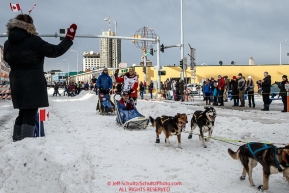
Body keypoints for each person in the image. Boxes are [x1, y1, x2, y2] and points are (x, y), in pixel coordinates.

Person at [4, 14, 76, 141]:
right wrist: (68, 38)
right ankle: (25, 143)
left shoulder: (8, 43)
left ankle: (16, 141)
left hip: (17, 84)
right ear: (30, 26)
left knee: (22, 112)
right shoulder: (33, 41)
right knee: (30, 114)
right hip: (32, 84)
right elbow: (55, 51)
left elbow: (6, 59)